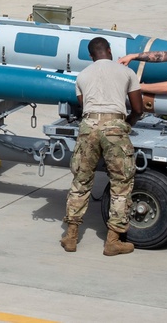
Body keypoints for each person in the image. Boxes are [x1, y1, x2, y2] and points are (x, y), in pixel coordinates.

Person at [61, 37, 144, 255]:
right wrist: (126, 124)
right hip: (115, 125)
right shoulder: (126, 72)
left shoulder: (82, 75)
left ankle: (70, 236)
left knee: (81, 180)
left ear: (91, 56)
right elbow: (138, 107)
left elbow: (82, 105)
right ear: (109, 50)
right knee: (121, 182)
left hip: (88, 125)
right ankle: (113, 240)